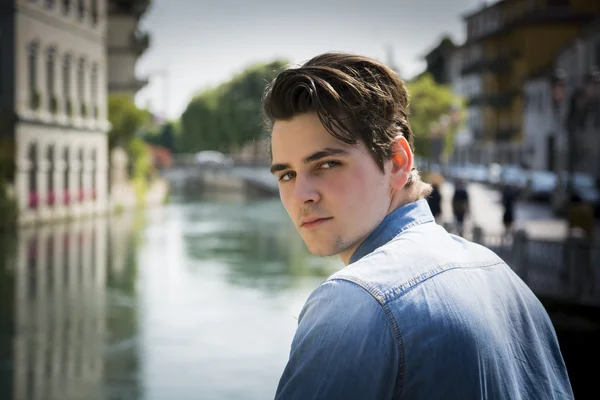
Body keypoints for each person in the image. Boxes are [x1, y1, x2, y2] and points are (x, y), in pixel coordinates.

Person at [262, 52, 572, 399]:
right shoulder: (504, 279)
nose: (301, 195)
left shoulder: (355, 300)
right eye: (286, 174)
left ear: (397, 161)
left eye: (327, 164)